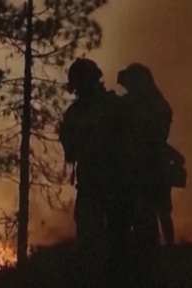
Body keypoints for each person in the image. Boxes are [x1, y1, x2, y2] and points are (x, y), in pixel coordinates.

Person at [58, 58, 132, 276]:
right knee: (104, 239)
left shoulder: (81, 112)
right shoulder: (114, 105)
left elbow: (70, 147)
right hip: (102, 181)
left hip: (107, 181)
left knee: (105, 239)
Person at [117, 63, 180, 247]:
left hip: (145, 166)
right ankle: (165, 248)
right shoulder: (158, 104)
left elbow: (151, 137)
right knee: (158, 211)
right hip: (151, 164)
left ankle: (156, 249)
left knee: (151, 210)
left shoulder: (139, 105)